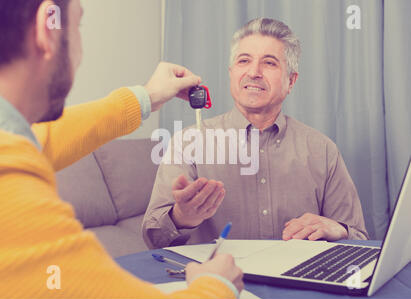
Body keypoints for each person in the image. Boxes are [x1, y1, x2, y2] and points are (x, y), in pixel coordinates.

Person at [0, 0, 243, 299]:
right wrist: (217, 287)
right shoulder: (14, 198)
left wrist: (147, 97)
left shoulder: (12, 143)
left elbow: (41, 139)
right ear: (46, 29)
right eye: (79, 26)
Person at [142, 18, 369, 249]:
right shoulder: (188, 143)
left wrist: (338, 230)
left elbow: (361, 240)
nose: (254, 72)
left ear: (291, 81)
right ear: (231, 73)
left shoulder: (323, 150)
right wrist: (182, 217)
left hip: (297, 282)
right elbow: (153, 240)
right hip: (216, 281)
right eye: (244, 61)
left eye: (269, 63)